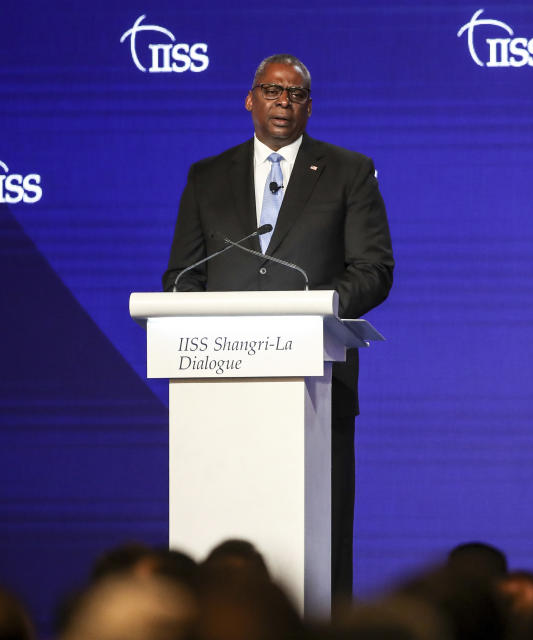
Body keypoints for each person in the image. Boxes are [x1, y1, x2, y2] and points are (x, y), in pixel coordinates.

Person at [162, 53, 395, 604]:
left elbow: (374, 269)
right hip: (219, 387)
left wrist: (313, 310)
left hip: (316, 383)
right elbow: (181, 276)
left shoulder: (349, 170)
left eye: (295, 94)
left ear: (309, 106)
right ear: (250, 99)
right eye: (271, 90)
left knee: (321, 534)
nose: (283, 103)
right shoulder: (207, 175)